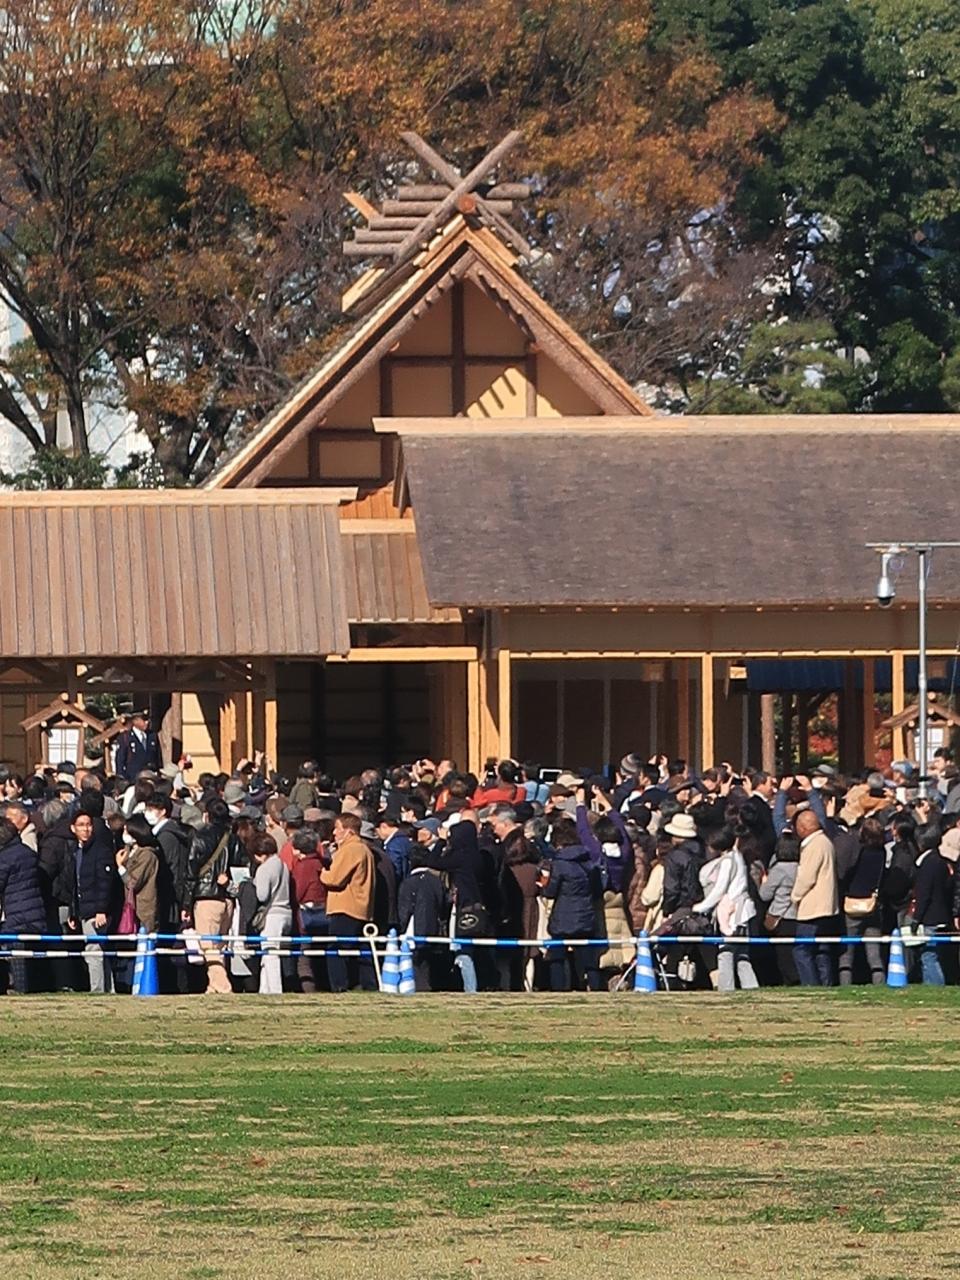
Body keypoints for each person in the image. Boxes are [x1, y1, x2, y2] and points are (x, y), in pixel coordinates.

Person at [185, 798, 243, 995]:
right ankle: (213, 987)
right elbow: (242, 870)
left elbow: (191, 871)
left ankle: (223, 987)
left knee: (208, 946)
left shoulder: (199, 837)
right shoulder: (234, 839)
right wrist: (230, 886)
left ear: (207, 816)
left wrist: (186, 904)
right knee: (220, 946)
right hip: (227, 898)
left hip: (206, 896)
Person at [538, 819, 604, 992]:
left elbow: (551, 891)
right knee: (588, 958)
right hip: (586, 914)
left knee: (557, 956)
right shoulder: (589, 862)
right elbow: (597, 890)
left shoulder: (559, 864)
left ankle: (558, 989)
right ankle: (595, 988)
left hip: (563, 916)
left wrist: (544, 886)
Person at [692, 825, 759, 991]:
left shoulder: (728, 861)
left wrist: (700, 907)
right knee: (742, 955)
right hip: (743, 910)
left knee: (725, 953)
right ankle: (751, 987)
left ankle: (726, 988)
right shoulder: (737, 856)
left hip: (732, 912)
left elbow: (719, 889)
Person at [321, 812, 376, 992]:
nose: (334, 833)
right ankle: (369, 986)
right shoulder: (364, 849)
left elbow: (335, 878)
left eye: (337, 828)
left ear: (349, 831)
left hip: (346, 907)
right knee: (362, 951)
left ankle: (339, 987)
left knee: (336, 949)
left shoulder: (351, 849)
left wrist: (322, 872)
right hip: (361, 907)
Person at [68, 811, 121, 994]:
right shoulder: (77, 851)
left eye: (88, 824)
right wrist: (73, 912)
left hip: (96, 911)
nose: (86, 829)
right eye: (81, 825)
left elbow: (105, 883)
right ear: (73, 828)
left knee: (93, 950)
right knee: (98, 949)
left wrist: (101, 910)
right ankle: (108, 989)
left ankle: (97, 989)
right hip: (84, 909)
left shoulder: (101, 850)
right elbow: (76, 883)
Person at [791, 810, 838, 987]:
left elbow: (806, 877)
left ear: (802, 828)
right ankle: (825, 984)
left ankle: (810, 984)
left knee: (802, 950)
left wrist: (795, 896)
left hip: (812, 908)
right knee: (822, 951)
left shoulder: (813, 846)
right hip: (827, 907)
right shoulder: (825, 842)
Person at [838, 815, 886, 986]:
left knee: (847, 951)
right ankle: (879, 981)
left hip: (852, 903)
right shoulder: (882, 853)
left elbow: (846, 874)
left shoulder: (859, 852)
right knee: (874, 951)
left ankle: (845, 983)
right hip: (872, 903)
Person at [0, 815, 46, 993]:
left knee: (16, 956)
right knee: (29, 958)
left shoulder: (5, 858)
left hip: (16, 914)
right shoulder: (27, 852)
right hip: (33, 911)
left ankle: (18, 990)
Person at [397, 850, 449, 991]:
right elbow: (444, 905)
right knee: (428, 961)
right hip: (434, 927)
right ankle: (428, 985)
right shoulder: (436, 882)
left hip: (412, 927)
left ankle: (418, 986)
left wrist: (401, 926)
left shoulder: (409, 883)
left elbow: (404, 908)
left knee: (414, 961)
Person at [251, 833, 293, 994]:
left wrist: (252, 884)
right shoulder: (283, 865)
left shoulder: (264, 868)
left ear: (259, 853)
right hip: (286, 912)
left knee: (270, 954)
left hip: (272, 915)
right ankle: (264, 989)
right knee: (269, 953)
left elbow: (262, 896)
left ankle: (275, 990)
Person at [912, 825, 954, 985]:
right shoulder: (941, 862)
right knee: (934, 955)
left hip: (931, 917)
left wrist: (916, 919)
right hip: (942, 914)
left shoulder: (928, 864)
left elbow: (924, 894)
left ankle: (936, 987)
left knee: (929, 956)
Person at [289, 828, 328, 993]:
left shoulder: (303, 866)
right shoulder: (322, 862)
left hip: (307, 915)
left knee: (304, 956)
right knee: (321, 954)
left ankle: (308, 989)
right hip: (324, 912)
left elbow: (298, 892)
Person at [758, 830, 800, 985]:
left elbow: (765, 895)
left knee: (784, 956)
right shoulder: (801, 867)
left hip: (781, 917)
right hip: (799, 914)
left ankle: (790, 982)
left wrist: (763, 881)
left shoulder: (779, 869)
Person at [114, 712, 162, 784]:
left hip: (152, 779)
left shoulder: (152, 736)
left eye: (148, 719)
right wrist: (123, 781)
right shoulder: (125, 738)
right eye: (144, 719)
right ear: (135, 721)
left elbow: (158, 758)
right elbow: (120, 762)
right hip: (133, 780)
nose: (147, 722)